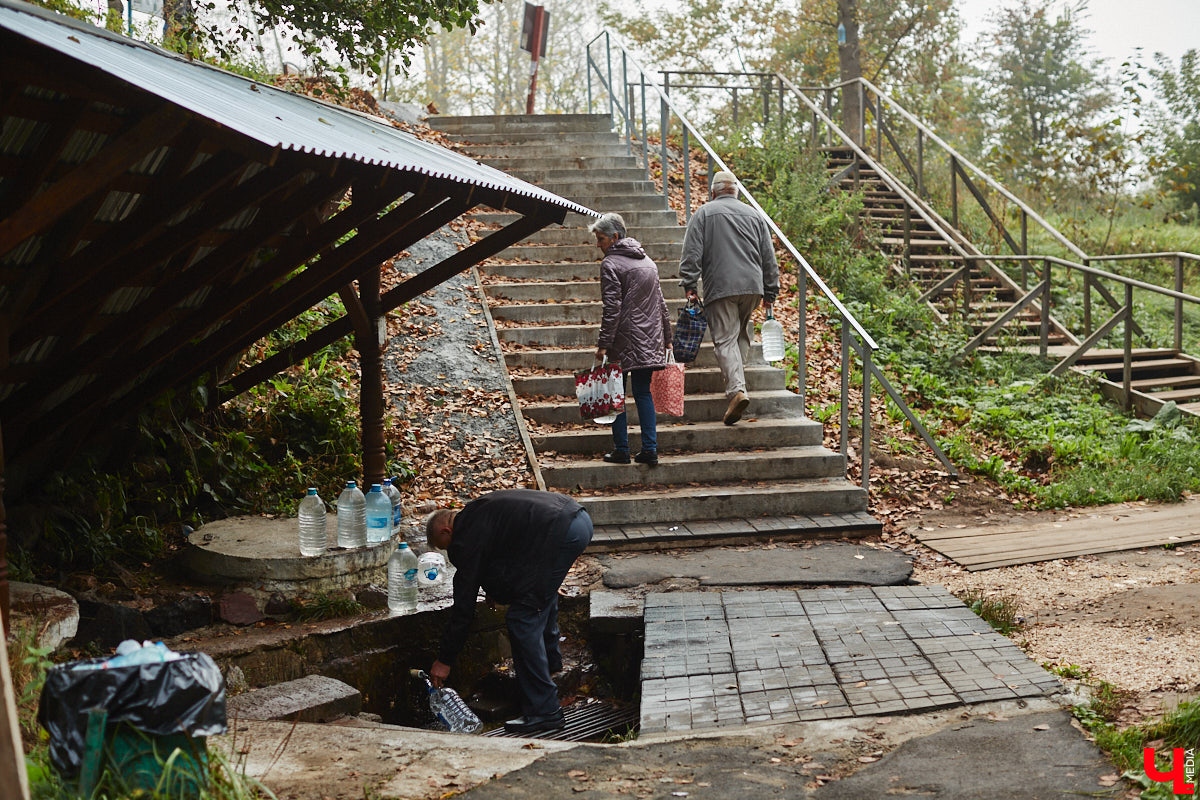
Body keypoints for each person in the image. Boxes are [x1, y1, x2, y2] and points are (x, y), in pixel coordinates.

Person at [426, 489, 593, 734]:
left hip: (558, 533)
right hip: (577, 518)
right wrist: (497, 588)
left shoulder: (464, 537)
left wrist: (445, 660)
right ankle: (550, 662)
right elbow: (505, 556)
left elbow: (464, 605)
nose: (451, 554)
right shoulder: (479, 511)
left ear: (446, 532)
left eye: (445, 547)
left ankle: (545, 712)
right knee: (537, 594)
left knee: (522, 618)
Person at [678, 170, 779, 425]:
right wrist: (771, 290)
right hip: (752, 287)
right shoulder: (755, 215)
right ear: (736, 192)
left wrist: (689, 283)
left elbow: (691, 252)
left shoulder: (703, 213)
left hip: (721, 287)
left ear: (713, 193)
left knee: (724, 340)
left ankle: (736, 391)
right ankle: (738, 382)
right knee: (741, 335)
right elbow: (769, 256)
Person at [590, 212, 672, 466]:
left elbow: (612, 308)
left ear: (615, 237)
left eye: (601, 239)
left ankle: (622, 450)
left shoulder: (611, 264)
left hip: (623, 340)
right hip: (649, 340)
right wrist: (667, 337)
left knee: (616, 394)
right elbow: (661, 303)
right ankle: (650, 449)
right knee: (643, 393)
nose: (598, 244)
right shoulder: (648, 261)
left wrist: (604, 344)